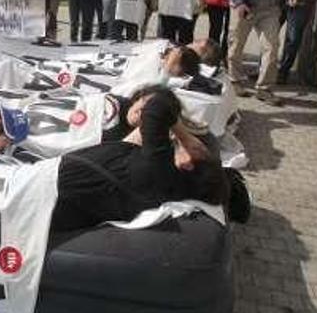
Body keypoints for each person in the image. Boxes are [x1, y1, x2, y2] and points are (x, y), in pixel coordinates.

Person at [51, 86, 228, 232]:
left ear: (188, 164)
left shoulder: (157, 166)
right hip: (58, 195)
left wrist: (186, 139)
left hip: (49, 192)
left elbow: (157, 105)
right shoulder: (166, 185)